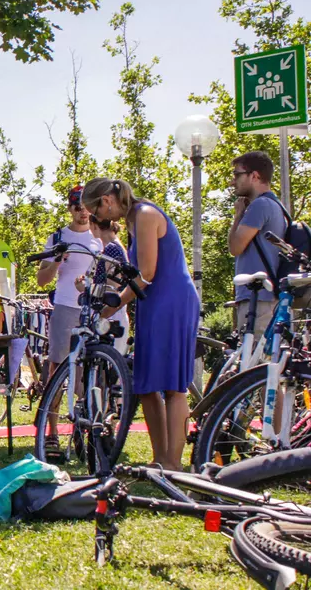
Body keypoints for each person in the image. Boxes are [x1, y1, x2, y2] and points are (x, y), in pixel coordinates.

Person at [84, 178, 198, 471]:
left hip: (171, 301)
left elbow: (147, 272)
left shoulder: (145, 215)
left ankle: (174, 463)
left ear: (107, 201)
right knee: (146, 385)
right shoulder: (133, 222)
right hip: (149, 303)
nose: (96, 220)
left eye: (95, 212)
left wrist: (117, 303)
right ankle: (159, 458)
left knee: (173, 386)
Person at [37, 186, 102, 380]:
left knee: (92, 365)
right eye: (77, 207)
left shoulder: (100, 236)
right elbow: (41, 280)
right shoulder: (58, 237)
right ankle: (52, 409)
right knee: (57, 364)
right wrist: (57, 260)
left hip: (94, 308)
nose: (83, 212)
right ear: (69, 208)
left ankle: (85, 408)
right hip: (65, 305)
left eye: (86, 207)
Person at [228, 151, 285, 334]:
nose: (232, 181)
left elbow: (235, 247)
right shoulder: (275, 205)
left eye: (237, 175)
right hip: (266, 298)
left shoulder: (259, 206)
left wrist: (238, 216)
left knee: (253, 360)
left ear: (254, 176)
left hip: (257, 299)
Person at [87, 218, 131, 355]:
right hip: (114, 312)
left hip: (111, 313)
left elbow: (113, 287)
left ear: (94, 226)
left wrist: (86, 288)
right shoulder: (115, 246)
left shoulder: (111, 249)